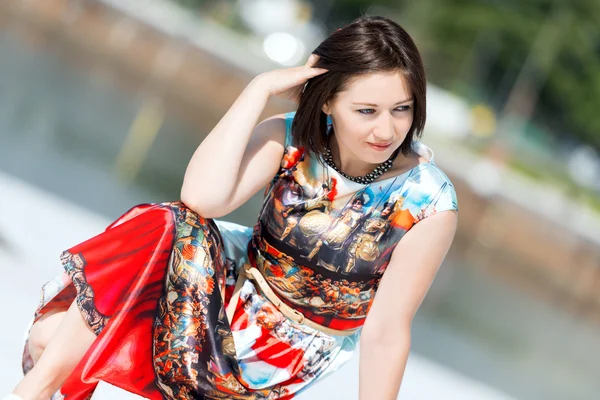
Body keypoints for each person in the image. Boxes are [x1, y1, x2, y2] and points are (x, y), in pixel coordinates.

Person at [5, 15, 458, 400]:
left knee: (65, 337)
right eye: (367, 111)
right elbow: (201, 199)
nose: (387, 129)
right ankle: (35, 392)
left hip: (281, 354)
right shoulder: (293, 139)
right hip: (216, 292)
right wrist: (257, 90)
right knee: (163, 226)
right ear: (328, 102)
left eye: (401, 108)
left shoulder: (428, 200)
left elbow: (386, 330)